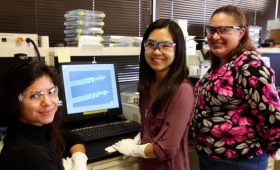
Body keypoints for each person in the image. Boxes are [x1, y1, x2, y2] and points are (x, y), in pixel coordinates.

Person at [192, 5, 280, 170]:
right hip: (208, 154)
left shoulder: (249, 64)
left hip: (238, 160)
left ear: (241, 33)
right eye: (211, 30)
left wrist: (270, 148)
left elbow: (272, 115)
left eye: (224, 30)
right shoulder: (220, 63)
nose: (215, 36)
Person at [105, 19, 195, 170]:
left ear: (177, 50)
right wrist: (138, 140)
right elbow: (151, 124)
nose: (156, 51)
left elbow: (166, 148)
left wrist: (134, 150)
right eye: (151, 44)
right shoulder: (148, 83)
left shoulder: (182, 91)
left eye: (166, 45)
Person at [0, 60, 88, 170]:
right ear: (13, 102)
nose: (47, 102)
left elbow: (73, 138)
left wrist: (79, 159)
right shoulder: (32, 155)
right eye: (34, 96)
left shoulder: (39, 131)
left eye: (51, 92)